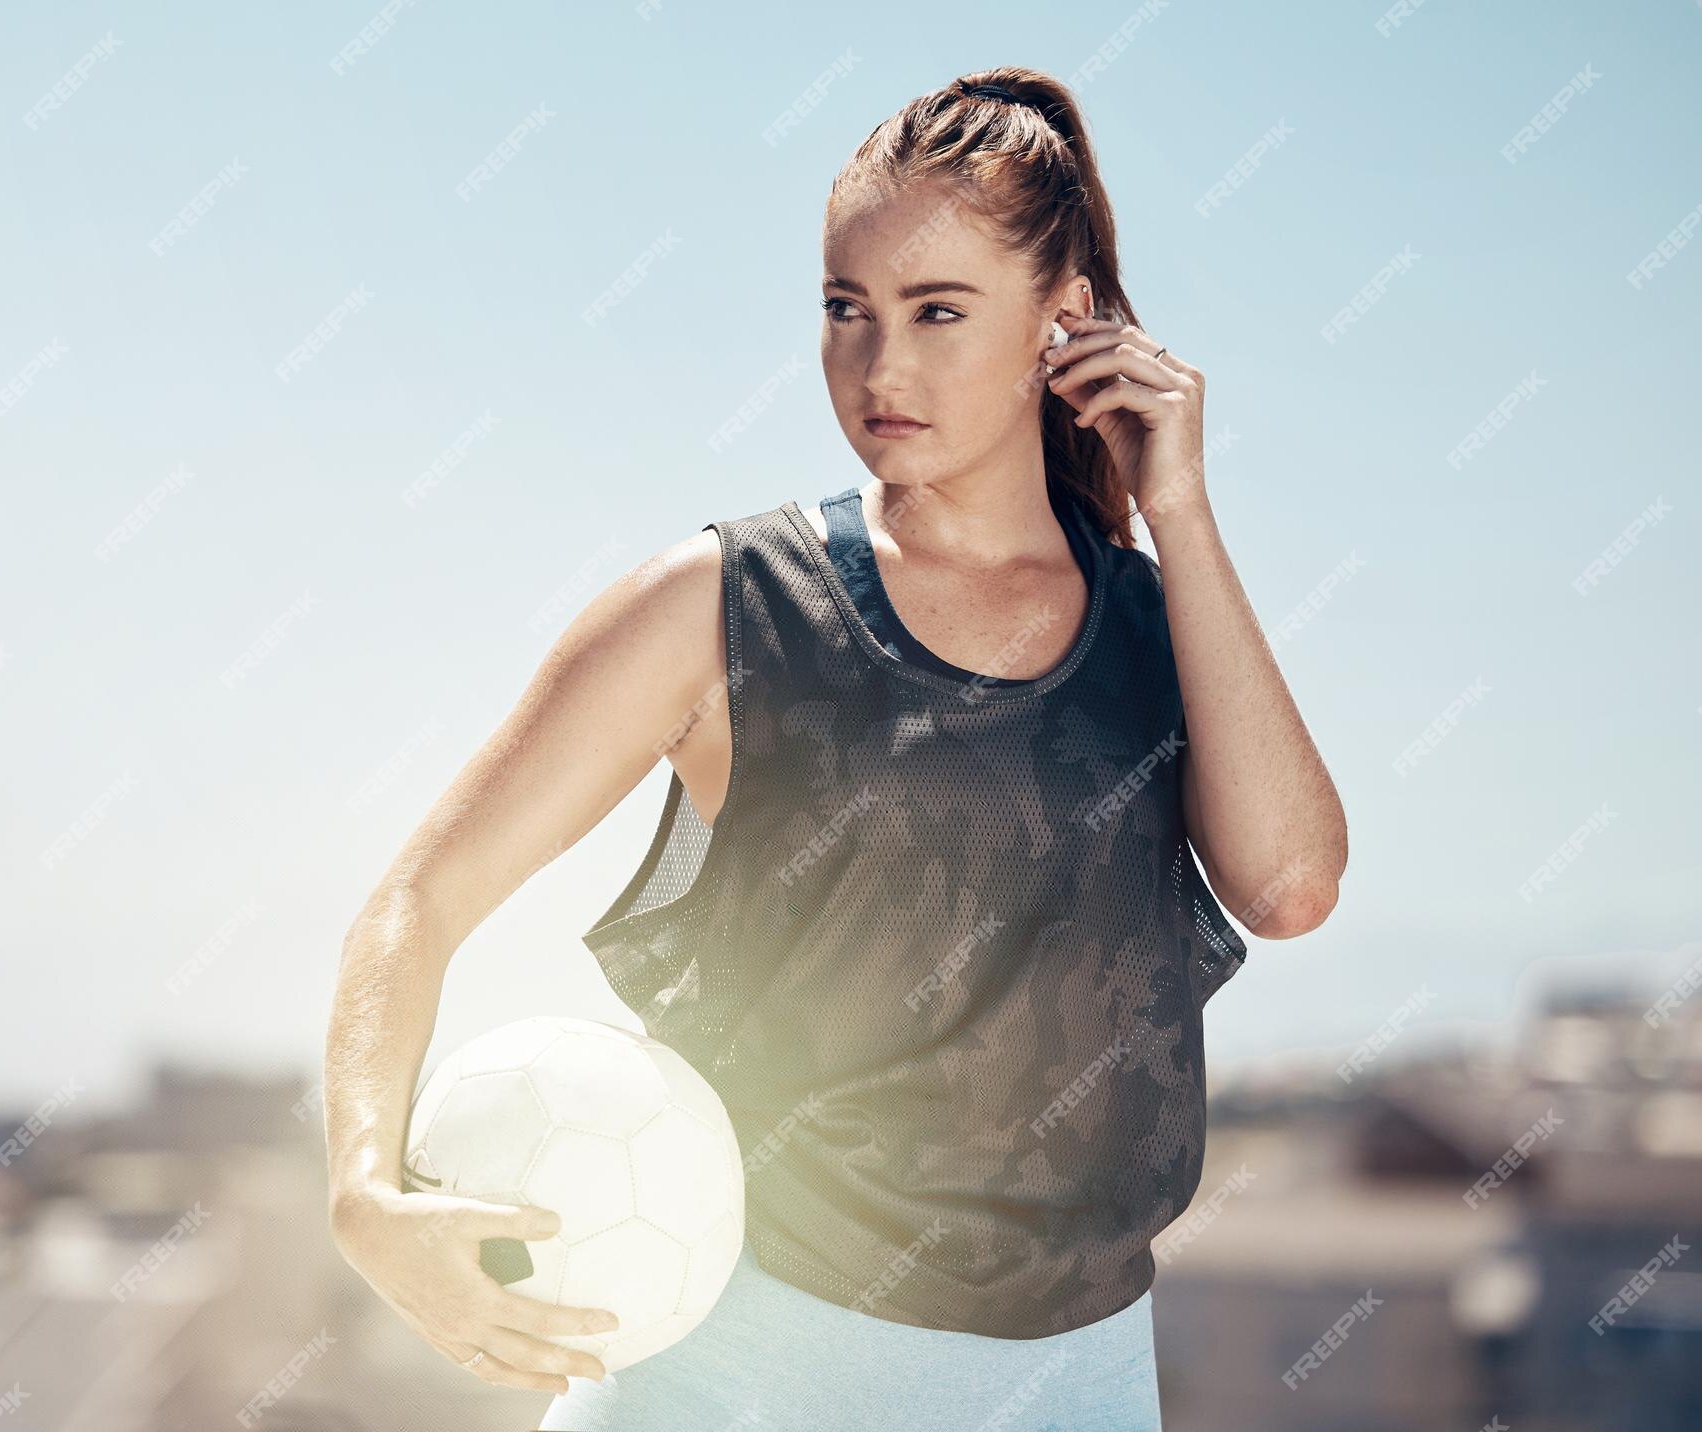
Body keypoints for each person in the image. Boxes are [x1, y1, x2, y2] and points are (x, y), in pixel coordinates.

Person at [325, 66, 1347, 1432]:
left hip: (1080, 1389)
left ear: (1068, 321)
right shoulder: (719, 609)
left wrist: (1184, 515)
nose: (881, 370)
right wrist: (362, 1194)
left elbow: (1289, 888)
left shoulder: (1165, 630)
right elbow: (417, 901)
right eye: (845, 310)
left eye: (938, 313)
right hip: (736, 1383)